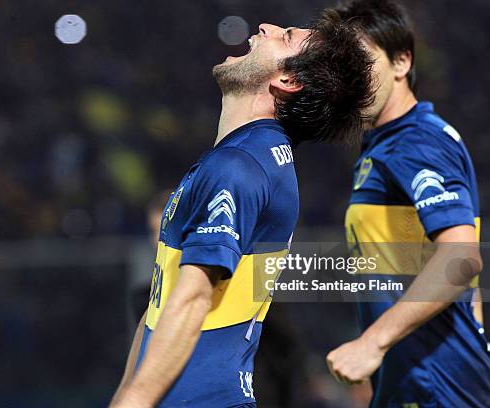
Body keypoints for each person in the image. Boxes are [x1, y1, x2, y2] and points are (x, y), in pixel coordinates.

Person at [111, 10, 373, 408]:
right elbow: (158, 307)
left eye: (284, 36)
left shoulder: (239, 167)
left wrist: (135, 400)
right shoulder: (252, 160)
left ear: (288, 81)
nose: (265, 26)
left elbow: (194, 298)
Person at [326, 1, 490, 406]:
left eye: (361, 61)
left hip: (440, 389)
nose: (351, 78)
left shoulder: (417, 141)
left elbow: (462, 257)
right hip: (415, 383)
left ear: (401, 61)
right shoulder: (384, 145)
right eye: (342, 67)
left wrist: (372, 343)